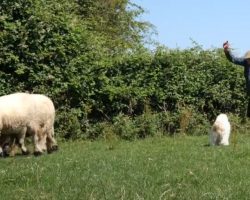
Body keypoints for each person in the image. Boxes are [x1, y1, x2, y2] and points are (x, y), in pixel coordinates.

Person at [223, 41, 250, 117]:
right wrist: (227, 51)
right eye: (247, 59)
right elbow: (233, 59)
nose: (248, 61)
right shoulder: (245, 62)